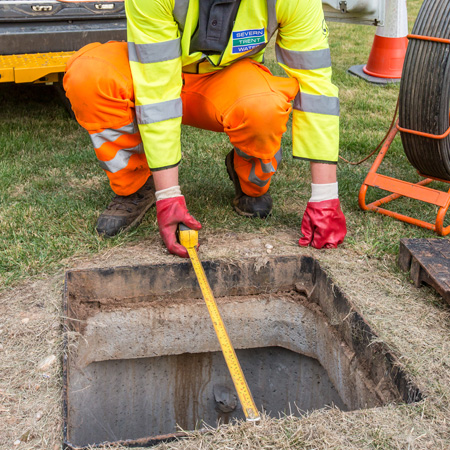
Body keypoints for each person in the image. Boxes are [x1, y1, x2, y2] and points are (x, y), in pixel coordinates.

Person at [63, 0, 347, 258]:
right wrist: (168, 195)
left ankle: (249, 180)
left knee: (264, 107)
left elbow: (316, 90)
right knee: (90, 77)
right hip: (155, 76)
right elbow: (156, 89)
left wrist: (325, 197)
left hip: (228, 82)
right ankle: (135, 186)